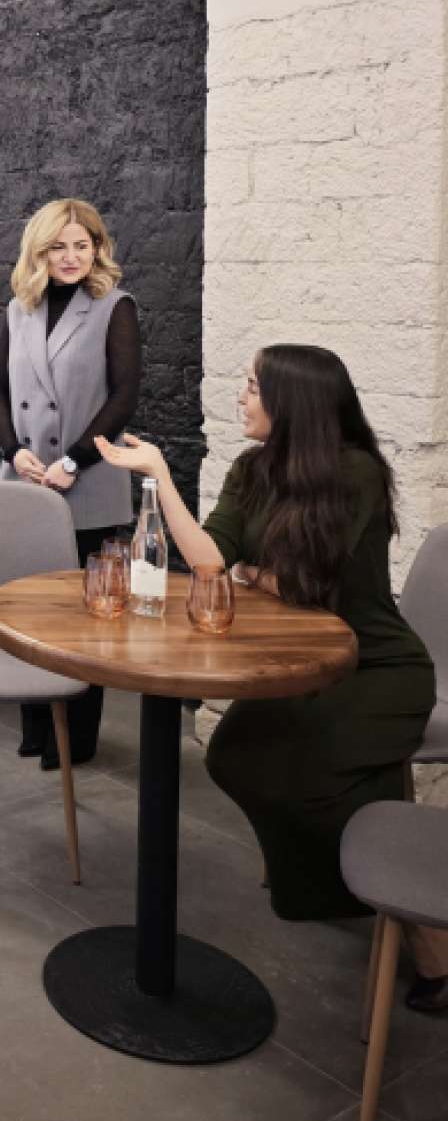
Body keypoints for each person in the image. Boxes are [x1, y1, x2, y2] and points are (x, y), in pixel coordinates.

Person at [96, 344, 446, 1012]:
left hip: (377, 669)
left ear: (293, 401)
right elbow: (209, 563)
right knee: (232, 752)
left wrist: (254, 574)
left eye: (254, 386)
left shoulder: (356, 473)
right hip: (302, 663)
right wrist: (159, 475)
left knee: (300, 768)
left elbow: (303, 584)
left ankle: (423, 937)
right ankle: (335, 886)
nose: (242, 396)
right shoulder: (251, 470)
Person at [0, 197, 141, 769]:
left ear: (98, 249)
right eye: (59, 246)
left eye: (83, 245)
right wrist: (13, 450)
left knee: (83, 615)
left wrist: (74, 461)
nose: (72, 257)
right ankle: (36, 727)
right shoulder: (19, 309)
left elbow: (124, 397)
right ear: (40, 251)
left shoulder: (114, 307)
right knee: (31, 610)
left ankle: (75, 738)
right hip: (28, 482)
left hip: (89, 481)